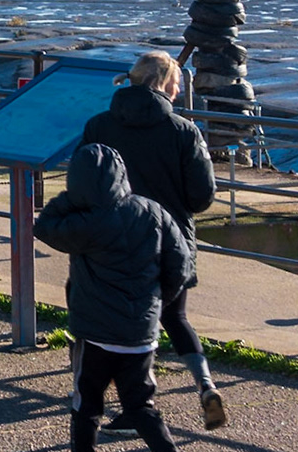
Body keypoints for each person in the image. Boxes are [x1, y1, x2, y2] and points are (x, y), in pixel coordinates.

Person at [35, 143, 197, 452]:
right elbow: (181, 266)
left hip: (95, 332)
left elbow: (43, 226)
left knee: (87, 403)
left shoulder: (87, 223)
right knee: (140, 406)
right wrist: (156, 303)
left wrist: (71, 197)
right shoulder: (152, 212)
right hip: (140, 333)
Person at [79, 50, 223, 430]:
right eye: (176, 85)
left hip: (115, 241)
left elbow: (84, 182)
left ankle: (133, 406)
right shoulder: (183, 131)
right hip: (171, 239)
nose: (178, 93)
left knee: (126, 325)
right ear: (163, 84)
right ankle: (205, 384)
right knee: (175, 317)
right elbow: (202, 196)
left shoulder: (99, 126)